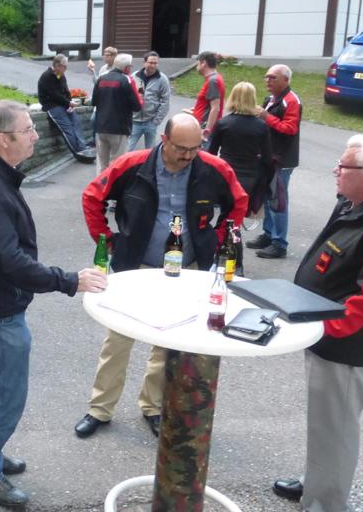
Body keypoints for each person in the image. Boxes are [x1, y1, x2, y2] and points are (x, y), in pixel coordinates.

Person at [0, 99, 108, 508]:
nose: (36, 135)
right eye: (29, 130)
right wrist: (69, 280)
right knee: (7, 393)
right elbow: (12, 260)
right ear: (4, 139)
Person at [75, 113, 247, 439]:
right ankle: (100, 408)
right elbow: (92, 197)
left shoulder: (214, 168)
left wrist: (220, 238)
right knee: (118, 338)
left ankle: (152, 407)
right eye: (181, 148)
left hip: (188, 269)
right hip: (137, 266)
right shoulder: (132, 164)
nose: (188, 156)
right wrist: (108, 241)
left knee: (169, 340)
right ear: (164, 140)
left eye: (195, 148)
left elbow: (238, 203)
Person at [272, 134, 363, 512]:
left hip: (348, 346)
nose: (335, 170)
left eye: (345, 166)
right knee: (324, 423)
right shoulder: (357, 203)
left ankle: (326, 503)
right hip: (327, 336)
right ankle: (316, 484)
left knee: (335, 429)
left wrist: (323, 327)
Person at [207, 82, 272, 274]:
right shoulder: (261, 126)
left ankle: (222, 258)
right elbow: (268, 159)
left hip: (226, 175)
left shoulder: (224, 123)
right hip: (249, 178)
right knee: (233, 222)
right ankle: (236, 264)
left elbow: (210, 153)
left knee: (224, 219)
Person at [246, 64, 302, 260]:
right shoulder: (272, 99)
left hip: (282, 159)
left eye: (273, 78)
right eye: (266, 77)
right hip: (269, 157)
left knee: (278, 201)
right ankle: (269, 234)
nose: (268, 81)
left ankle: (279, 243)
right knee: (269, 198)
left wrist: (265, 116)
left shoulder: (291, 101)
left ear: (286, 80)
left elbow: (289, 129)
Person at [91, 53, 142, 173]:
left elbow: (94, 101)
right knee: (117, 162)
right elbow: (137, 106)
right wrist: (140, 96)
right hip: (119, 128)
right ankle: (113, 189)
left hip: (100, 127)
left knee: (101, 163)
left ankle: (100, 188)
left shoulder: (101, 78)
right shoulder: (127, 80)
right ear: (127, 67)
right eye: (131, 66)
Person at [37, 54, 88, 161]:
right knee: (67, 128)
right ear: (56, 65)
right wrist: (68, 103)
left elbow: (65, 90)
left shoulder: (61, 75)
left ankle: (83, 148)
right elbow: (54, 94)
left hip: (63, 104)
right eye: (64, 66)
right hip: (51, 105)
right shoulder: (47, 76)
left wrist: (69, 102)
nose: (66, 68)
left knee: (76, 123)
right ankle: (78, 153)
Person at [129, 51, 171, 150]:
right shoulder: (135, 76)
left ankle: (149, 165)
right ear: (144, 62)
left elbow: (165, 101)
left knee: (150, 152)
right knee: (127, 149)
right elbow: (128, 97)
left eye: (155, 63)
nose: (153, 65)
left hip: (151, 121)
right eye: (150, 62)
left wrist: (156, 121)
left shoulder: (162, 79)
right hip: (135, 121)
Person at [182, 51, 225, 137]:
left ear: (203, 63)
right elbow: (210, 104)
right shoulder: (214, 78)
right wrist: (197, 109)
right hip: (202, 125)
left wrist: (206, 131)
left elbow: (215, 108)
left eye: (197, 63)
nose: (196, 67)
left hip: (203, 129)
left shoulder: (213, 81)